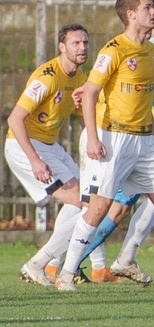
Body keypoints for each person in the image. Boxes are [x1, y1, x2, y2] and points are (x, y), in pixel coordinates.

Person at [53, 0, 154, 292]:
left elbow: (145, 86)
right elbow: (89, 93)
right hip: (116, 140)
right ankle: (65, 273)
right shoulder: (113, 50)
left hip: (146, 141)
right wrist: (92, 138)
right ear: (131, 14)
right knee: (100, 209)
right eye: (148, 8)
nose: (153, 13)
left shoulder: (149, 51)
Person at [6, 24, 116, 285]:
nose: (82, 48)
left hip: (50, 145)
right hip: (25, 146)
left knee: (87, 200)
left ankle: (48, 264)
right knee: (87, 203)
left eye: (86, 43)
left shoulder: (79, 79)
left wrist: (95, 140)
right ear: (62, 47)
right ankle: (42, 263)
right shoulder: (47, 77)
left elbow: (83, 116)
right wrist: (35, 160)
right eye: (76, 43)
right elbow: (14, 119)